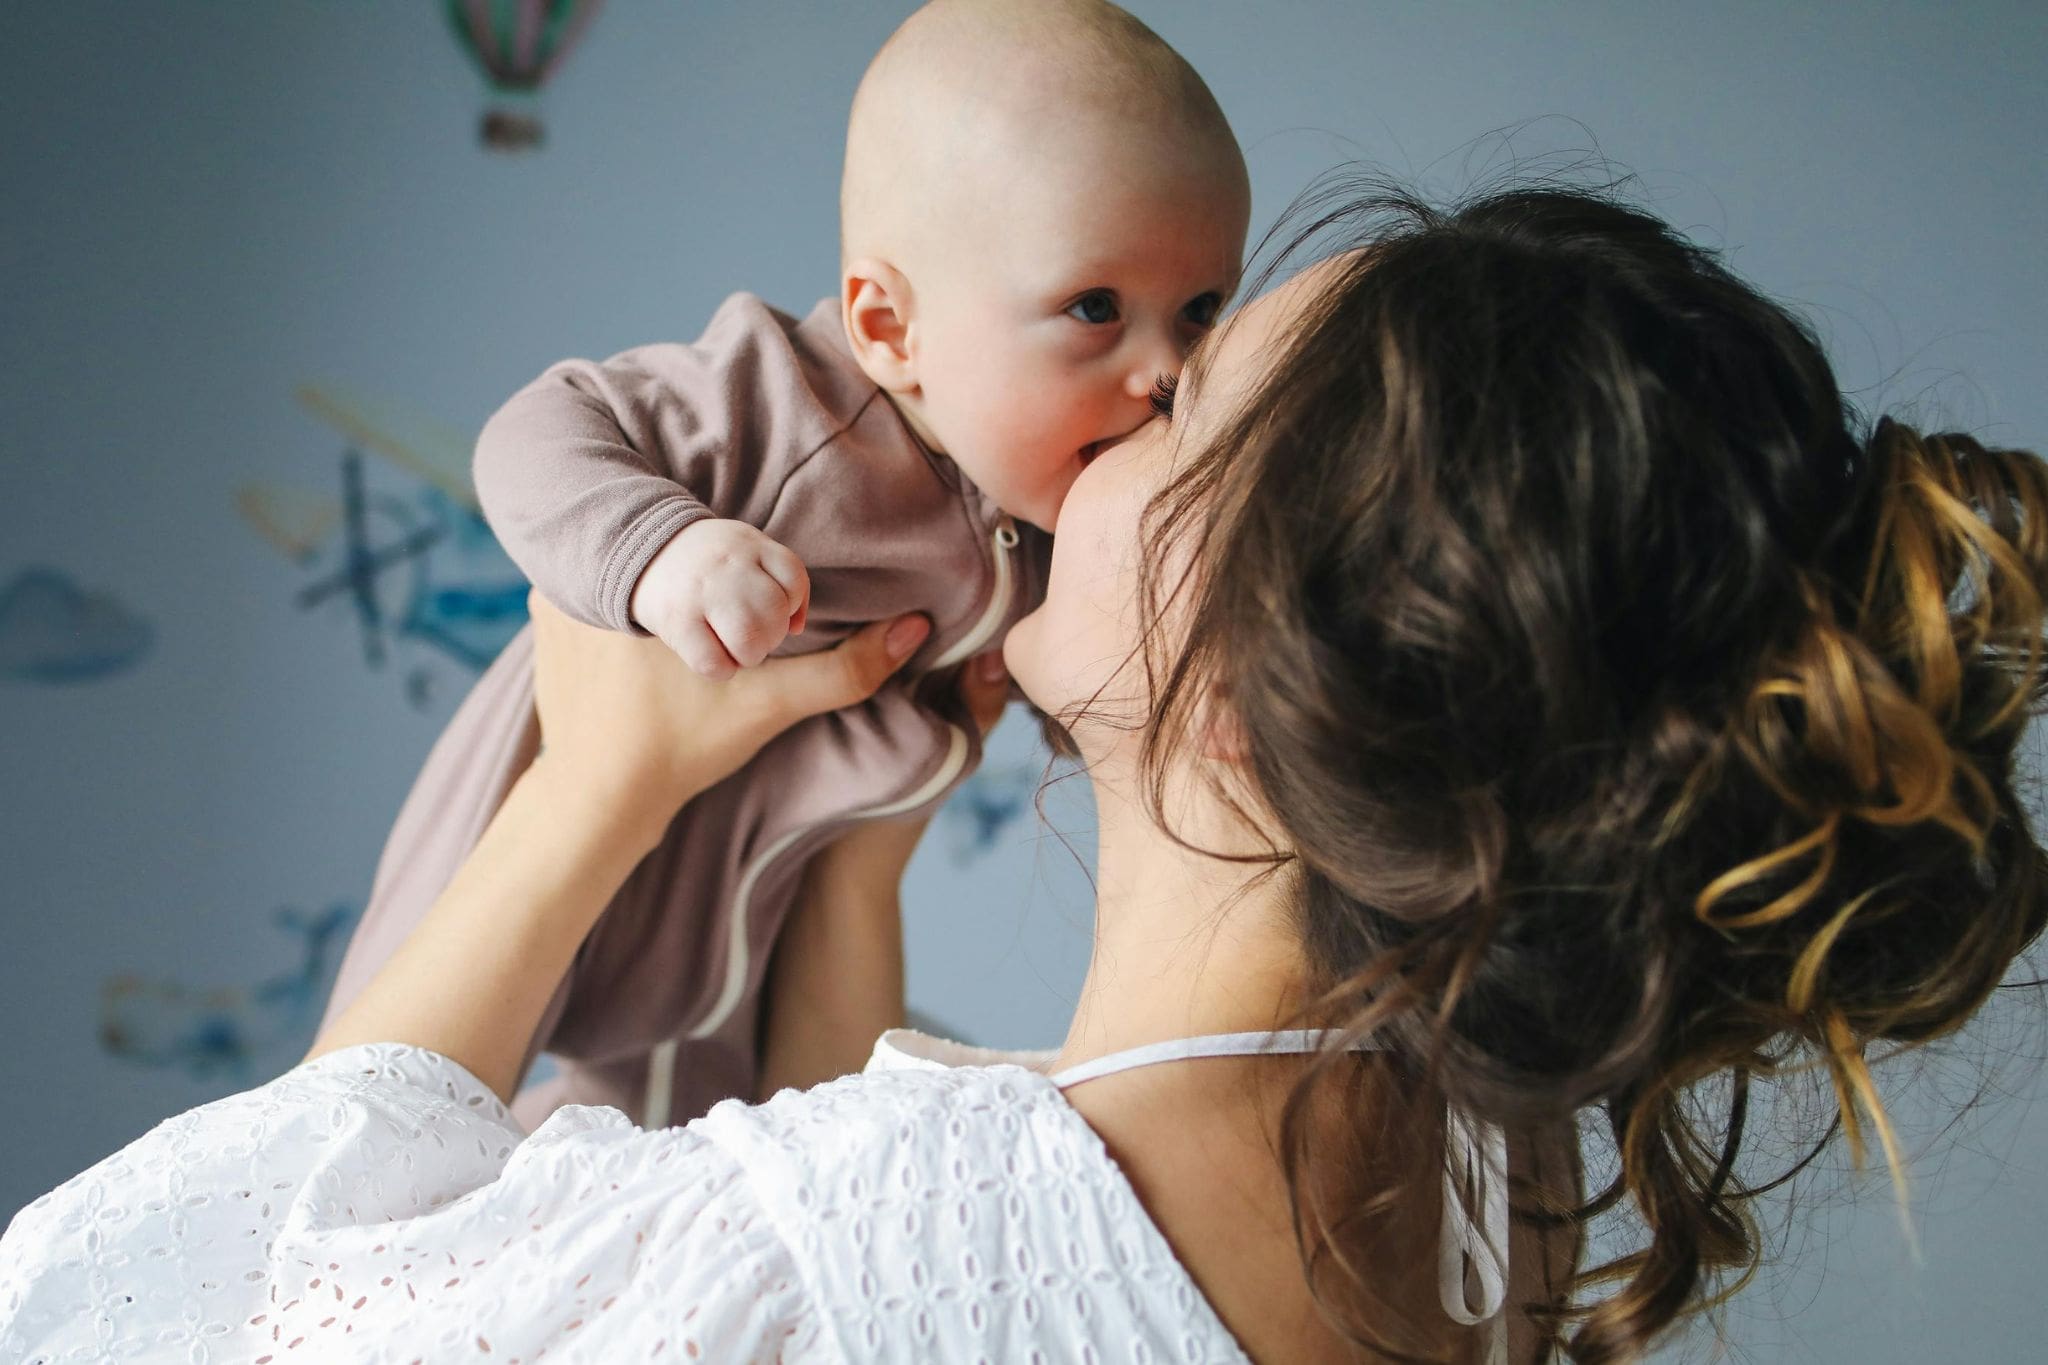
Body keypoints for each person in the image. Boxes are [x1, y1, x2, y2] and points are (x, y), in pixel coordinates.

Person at [6, 182, 2045, 1363]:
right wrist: (858, 866)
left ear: (1244, 686)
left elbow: (184, 1304)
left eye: (1186, 401)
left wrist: (588, 791)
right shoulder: (1474, 1201)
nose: (1107, 419)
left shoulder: (859, 1244)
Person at [317, 0, 1252, 1131]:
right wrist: (660, 549)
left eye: (1200, 312)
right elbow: (537, 429)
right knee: (381, 1107)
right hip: (555, 802)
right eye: (1095, 308)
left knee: (680, 1137)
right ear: (888, 328)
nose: (1165, 371)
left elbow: (1097, 687)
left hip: (750, 905)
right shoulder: (785, 404)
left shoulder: (1054, 504)